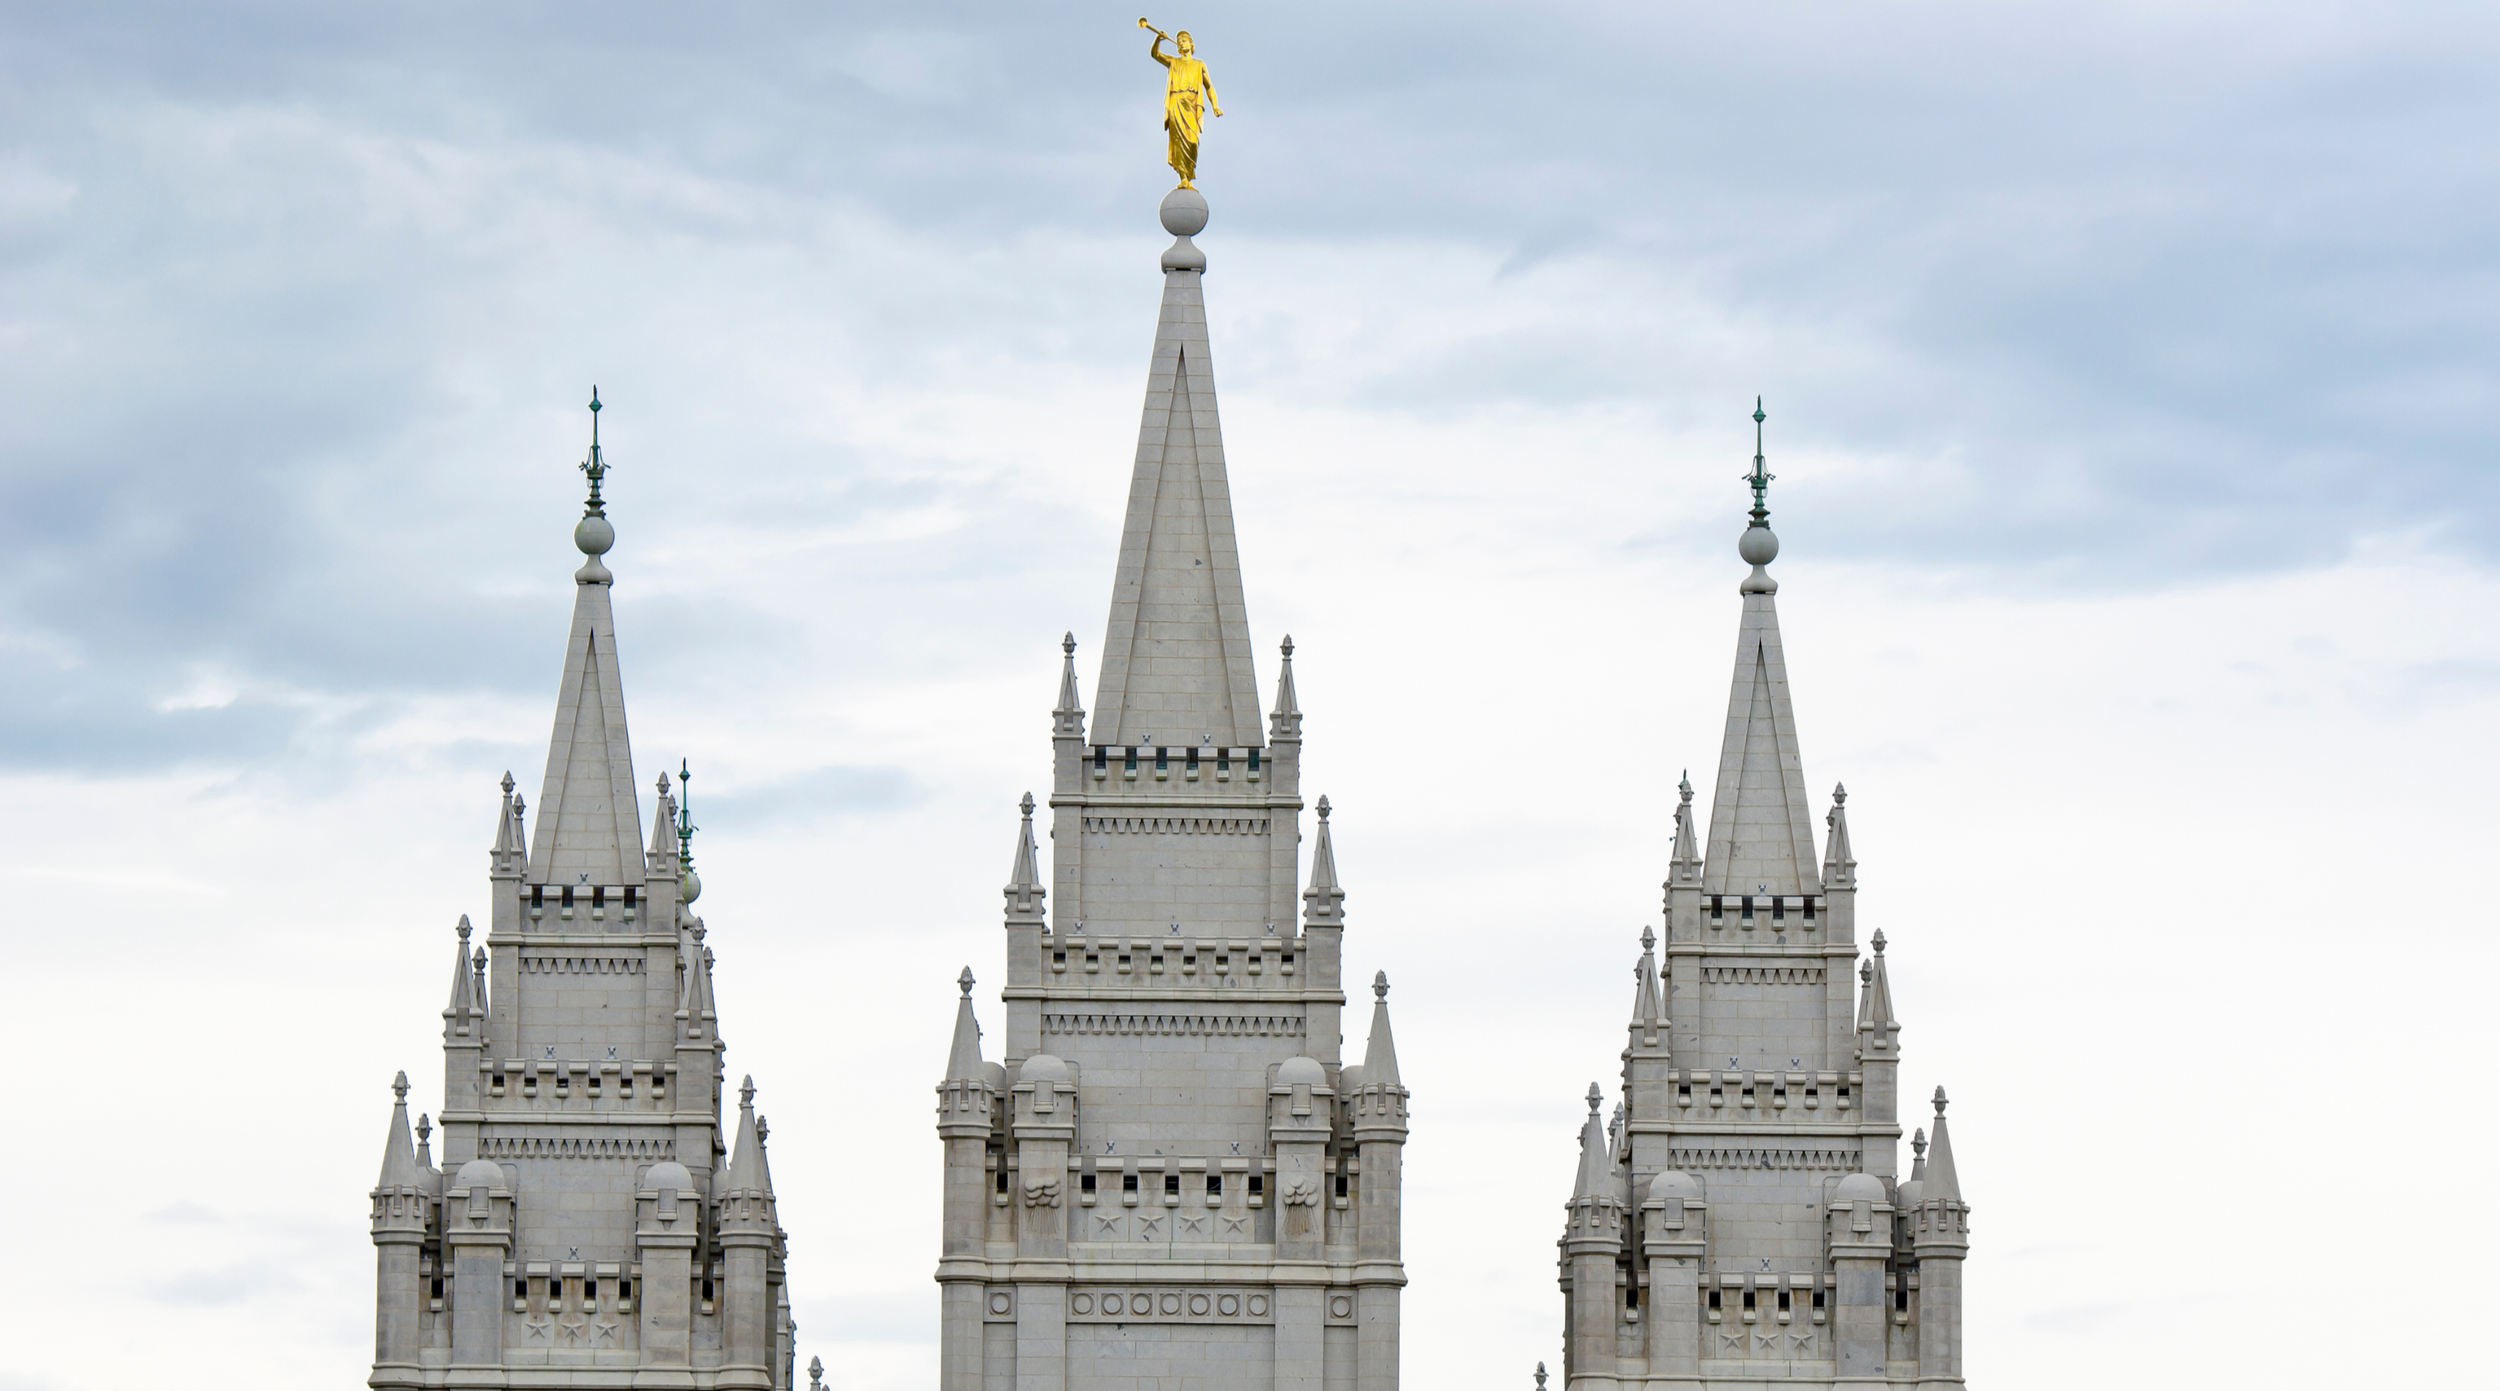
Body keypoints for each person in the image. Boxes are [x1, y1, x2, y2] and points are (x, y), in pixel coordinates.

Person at [1144, 24, 1222, 188]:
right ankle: (1183, 178)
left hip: (1192, 103)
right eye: (1179, 41)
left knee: (1192, 141)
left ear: (1191, 44)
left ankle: (1189, 172)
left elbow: (1209, 87)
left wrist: (1215, 106)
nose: (1181, 42)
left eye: (1184, 40)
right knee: (1178, 141)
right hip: (1177, 103)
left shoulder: (1199, 64)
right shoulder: (1174, 62)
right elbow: (1155, 54)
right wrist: (1158, 39)